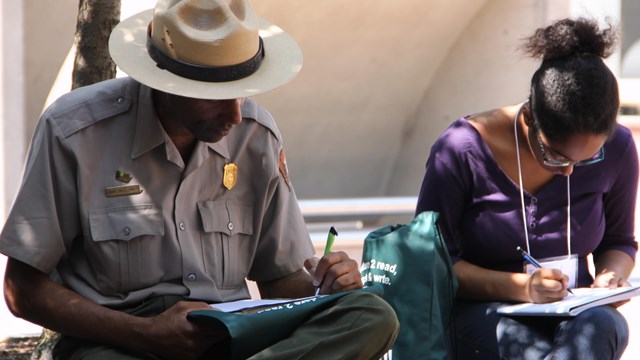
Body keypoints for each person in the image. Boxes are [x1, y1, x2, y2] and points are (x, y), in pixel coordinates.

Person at [0, 1, 399, 359]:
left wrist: (326, 284)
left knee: (370, 314)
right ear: (165, 83)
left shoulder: (257, 137)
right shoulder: (75, 132)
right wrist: (144, 334)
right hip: (119, 339)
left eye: (242, 92)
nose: (236, 115)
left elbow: (280, 281)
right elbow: (23, 291)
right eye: (214, 95)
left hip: (233, 334)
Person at [416, 17, 637, 359]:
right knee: (535, 350)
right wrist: (522, 288)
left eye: (587, 160)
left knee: (602, 326)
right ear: (531, 117)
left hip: (577, 312)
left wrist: (611, 276)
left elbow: (618, 242)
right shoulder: (461, 149)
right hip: (484, 314)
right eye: (556, 155)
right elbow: (433, 262)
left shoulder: (619, 149)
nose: (568, 172)